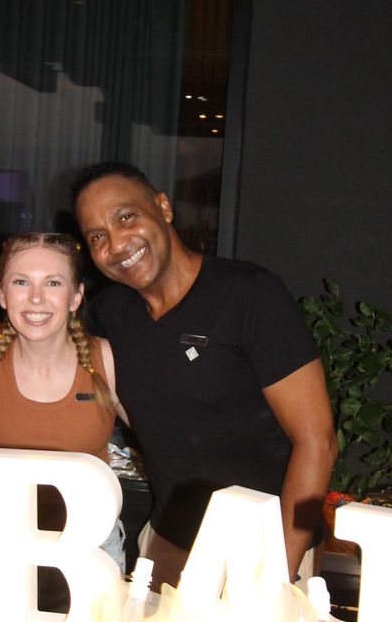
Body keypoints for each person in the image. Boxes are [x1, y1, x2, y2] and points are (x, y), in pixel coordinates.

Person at [71, 162, 338, 587]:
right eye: (97, 236)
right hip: (166, 546)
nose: (117, 244)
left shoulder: (249, 294)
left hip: (263, 554)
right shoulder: (111, 312)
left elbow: (317, 441)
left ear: (163, 207)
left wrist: (277, 577)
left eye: (126, 217)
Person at [0, 231, 127, 572]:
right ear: (1, 294)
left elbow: (162, 439)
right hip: (4, 550)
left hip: (91, 551)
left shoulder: (106, 360)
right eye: (21, 282)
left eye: (53, 283)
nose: (36, 298)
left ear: (76, 296)